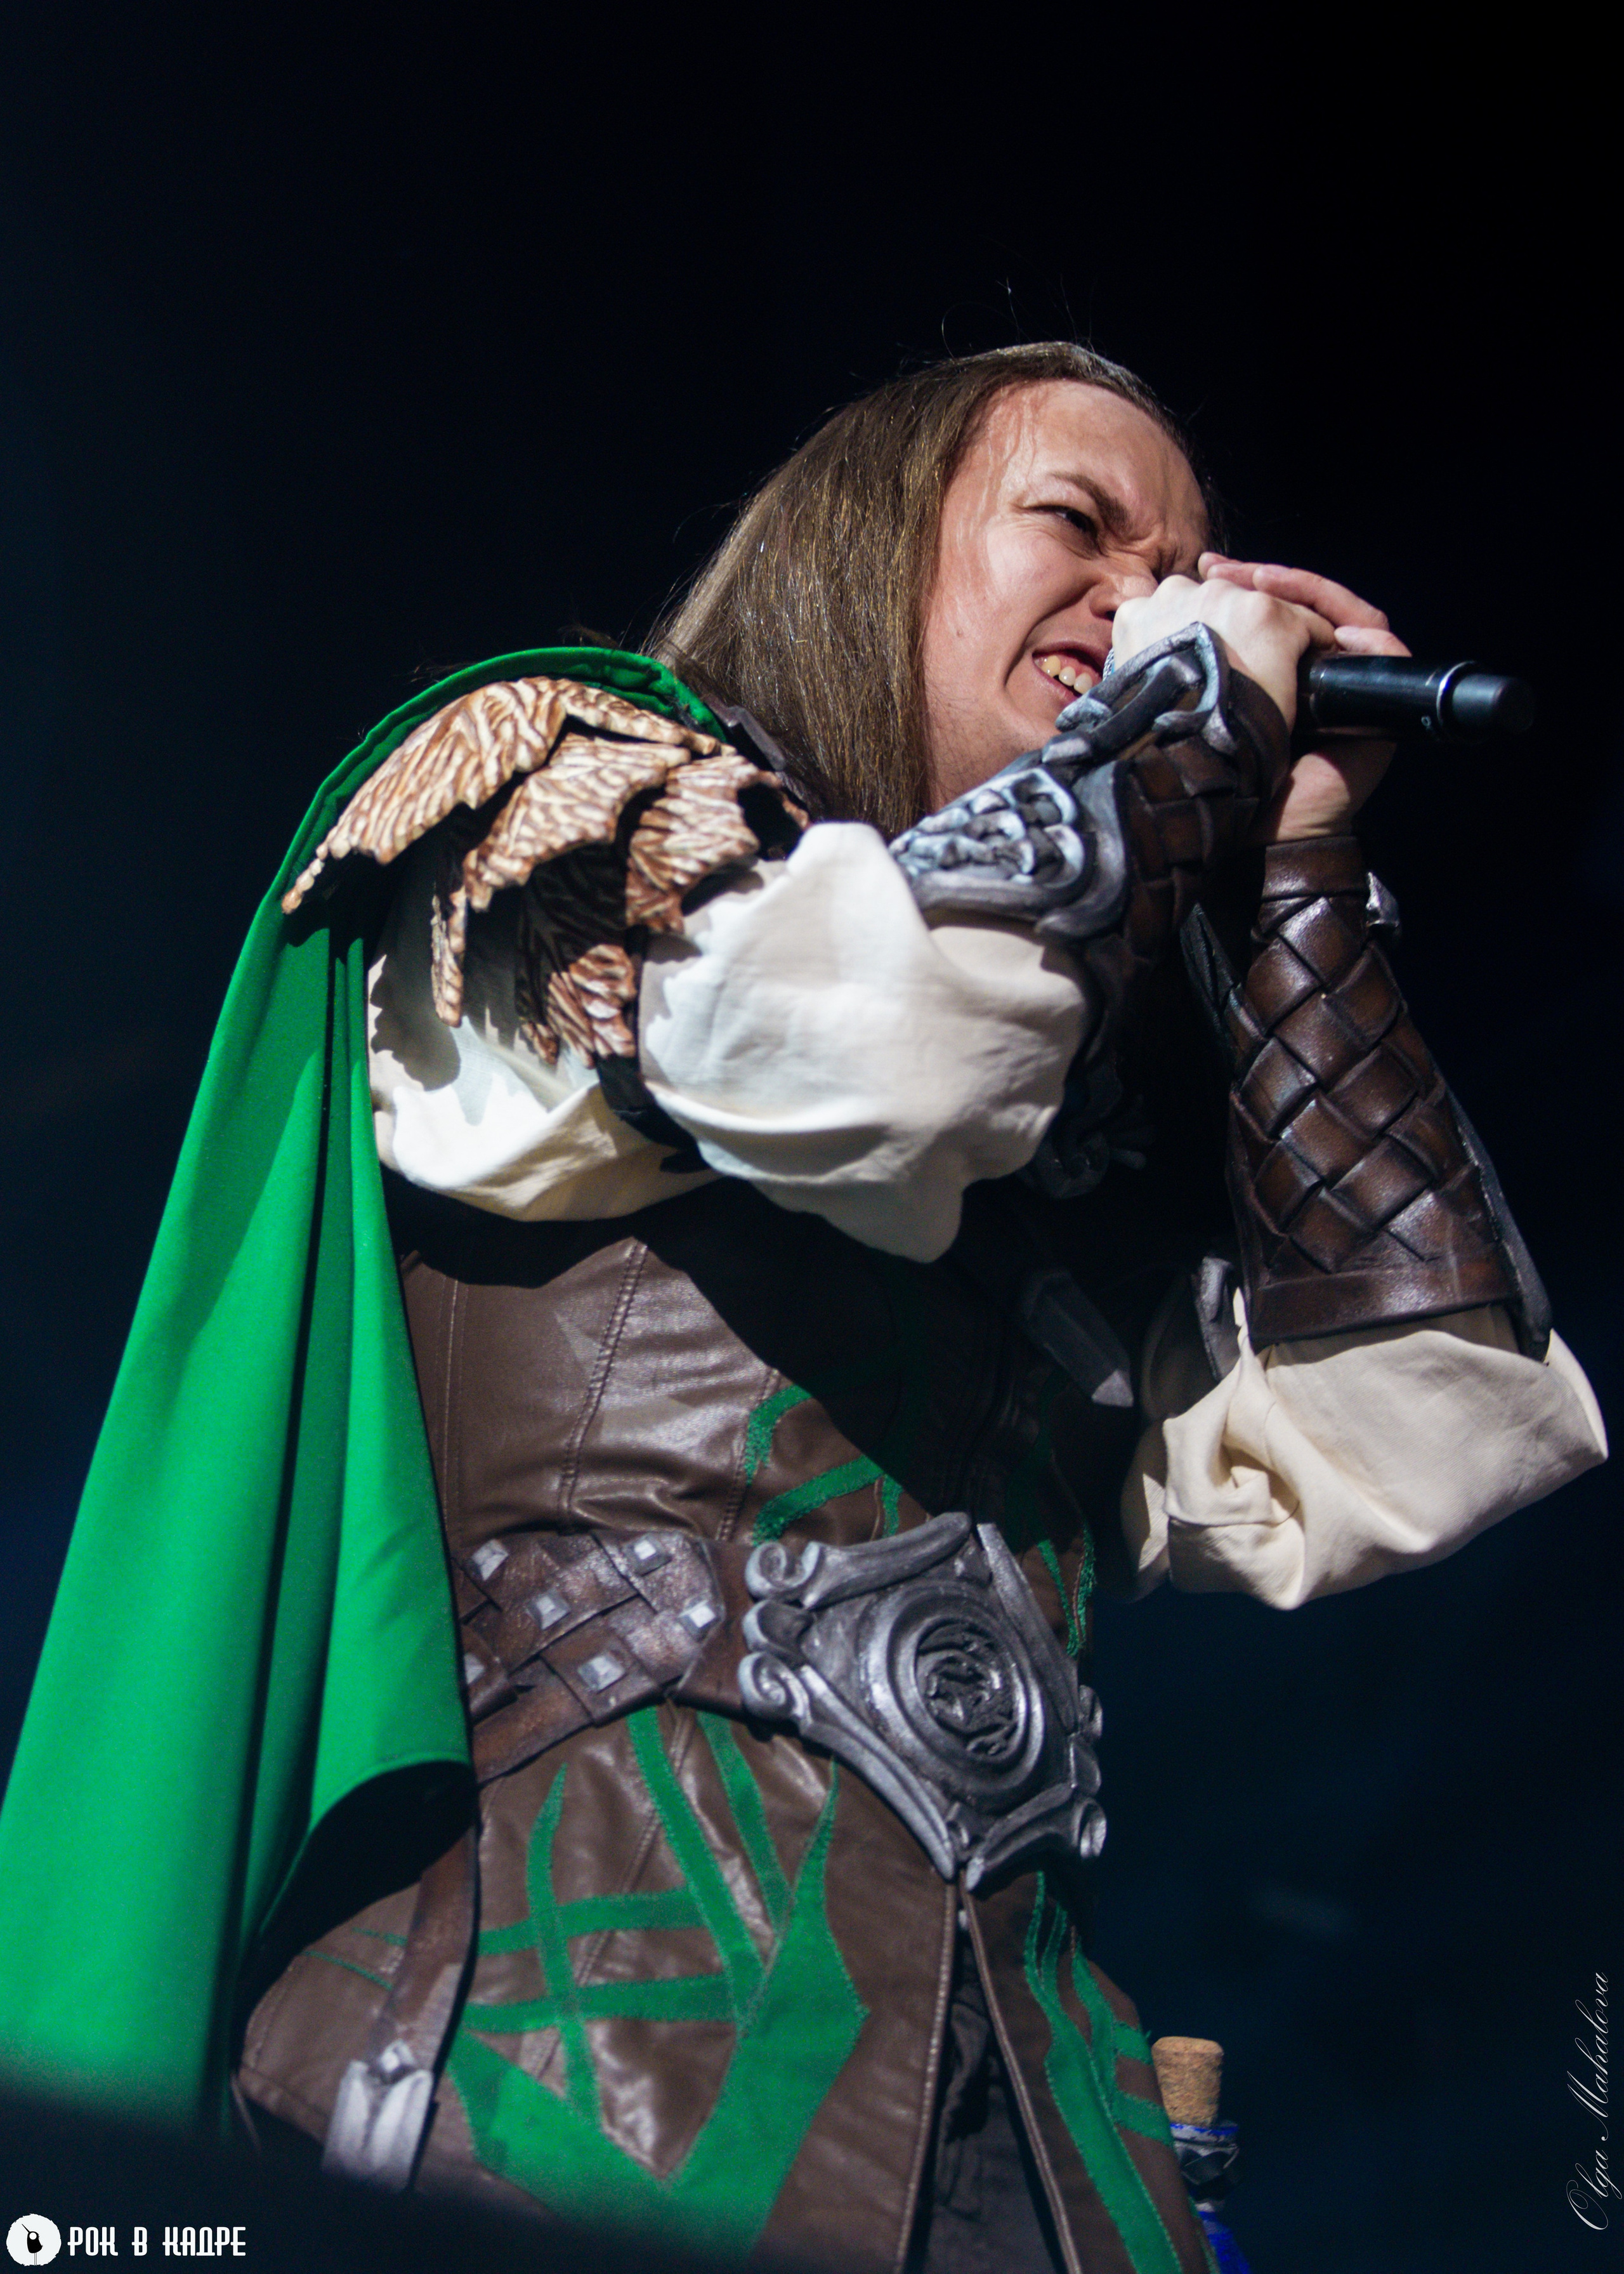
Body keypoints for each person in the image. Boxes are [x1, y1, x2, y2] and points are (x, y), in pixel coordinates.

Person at [0, 345, 1604, 2274]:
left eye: (1193, 567)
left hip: (1027, 2127)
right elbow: (869, 1052)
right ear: (866, 556)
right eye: (1076, 530)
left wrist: (1305, 876)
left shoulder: (1060, 1118)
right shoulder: (568, 795)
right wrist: (1180, 727)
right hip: (562, 2083)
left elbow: (1433, 1430)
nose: (1161, 603)